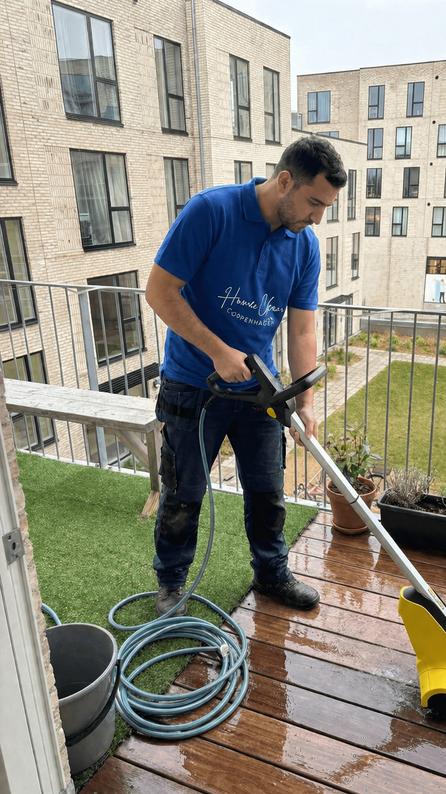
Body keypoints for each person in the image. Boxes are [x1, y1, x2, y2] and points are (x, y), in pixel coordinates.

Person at [145, 136, 346, 616]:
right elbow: (158, 291)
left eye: (327, 206)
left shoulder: (304, 246)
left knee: (267, 490)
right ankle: (171, 583)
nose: (318, 217)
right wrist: (216, 350)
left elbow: (302, 328)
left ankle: (272, 573)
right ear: (283, 182)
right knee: (183, 492)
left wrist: (307, 402)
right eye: (314, 202)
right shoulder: (211, 211)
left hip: (260, 390)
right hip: (194, 385)